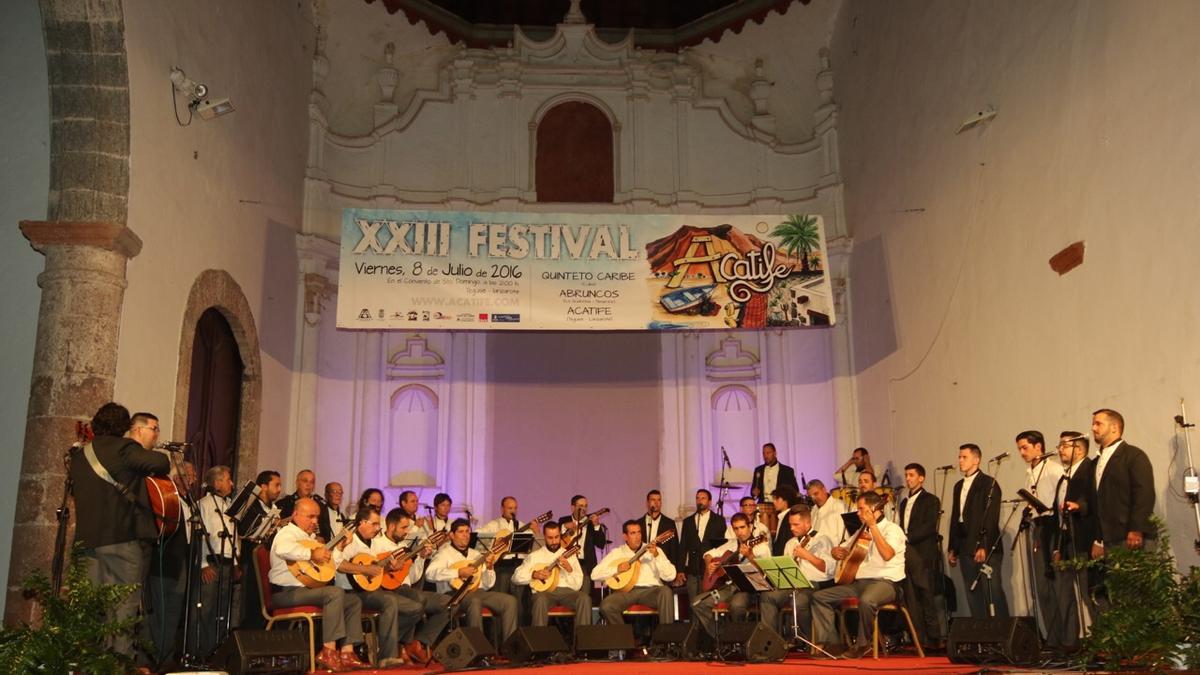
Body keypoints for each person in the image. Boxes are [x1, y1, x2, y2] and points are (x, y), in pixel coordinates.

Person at [69, 403, 170, 664]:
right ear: (126, 427)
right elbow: (161, 462)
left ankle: (90, 665)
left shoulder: (80, 456)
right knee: (122, 611)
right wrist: (137, 444)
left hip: (86, 544)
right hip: (121, 541)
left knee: (92, 611)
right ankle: (118, 667)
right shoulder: (125, 449)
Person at [268, 497, 367, 670]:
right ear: (295, 514)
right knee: (334, 592)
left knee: (353, 601)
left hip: (306, 591)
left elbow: (331, 566)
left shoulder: (311, 538)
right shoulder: (287, 533)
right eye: (310, 517)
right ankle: (328, 652)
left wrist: (340, 548)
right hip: (285, 593)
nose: (315, 521)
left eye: (317, 517)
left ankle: (347, 652)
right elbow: (282, 549)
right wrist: (311, 554)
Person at [813, 492, 906, 657]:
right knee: (820, 597)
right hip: (860, 583)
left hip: (886, 583)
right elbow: (841, 549)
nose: (858, 513)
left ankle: (863, 645)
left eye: (861, 509)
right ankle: (833, 643)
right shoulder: (860, 531)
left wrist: (874, 527)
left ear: (873, 509)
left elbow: (887, 554)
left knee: (867, 600)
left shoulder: (893, 529)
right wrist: (836, 552)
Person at [334, 506, 423, 668]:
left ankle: (387, 642)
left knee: (416, 608)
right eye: (374, 524)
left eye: (378, 525)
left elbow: (376, 568)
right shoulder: (350, 541)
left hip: (370, 590)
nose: (377, 528)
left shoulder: (374, 544)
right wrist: (364, 569)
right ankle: (386, 657)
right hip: (351, 592)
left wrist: (390, 567)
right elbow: (338, 564)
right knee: (390, 600)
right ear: (361, 523)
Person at [426, 518, 518, 647]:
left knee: (510, 601)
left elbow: (487, 585)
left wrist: (490, 568)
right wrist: (458, 572)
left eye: (467, 531)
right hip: (455, 595)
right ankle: (478, 649)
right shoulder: (443, 554)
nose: (465, 535)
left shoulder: (476, 555)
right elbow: (429, 574)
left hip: (477, 592)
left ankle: (511, 648)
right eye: (461, 532)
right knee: (475, 602)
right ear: (452, 535)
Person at [948, 444, 1008, 617]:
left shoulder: (988, 483)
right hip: (965, 546)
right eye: (959, 457)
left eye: (964, 457)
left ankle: (1003, 632)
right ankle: (981, 634)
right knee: (972, 592)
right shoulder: (958, 486)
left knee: (993, 591)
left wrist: (983, 544)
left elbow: (990, 517)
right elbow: (956, 517)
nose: (960, 460)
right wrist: (953, 547)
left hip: (985, 545)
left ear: (976, 459)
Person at [383, 508, 449, 665]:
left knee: (449, 603)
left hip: (406, 588)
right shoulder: (378, 544)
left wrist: (420, 558)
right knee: (417, 600)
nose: (407, 532)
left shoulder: (406, 545)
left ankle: (417, 642)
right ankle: (400, 645)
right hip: (389, 589)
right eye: (404, 528)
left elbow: (412, 577)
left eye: (408, 528)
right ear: (391, 526)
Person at [146, 458, 194, 669]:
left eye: (193, 475)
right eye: (189, 475)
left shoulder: (190, 502)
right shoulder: (166, 499)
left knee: (173, 614)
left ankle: (165, 659)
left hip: (181, 564)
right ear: (176, 478)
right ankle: (151, 660)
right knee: (159, 614)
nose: (194, 479)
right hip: (163, 564)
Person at [1051, 431, 1098, 652]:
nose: (1060, 449)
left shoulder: (1090, 469)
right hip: (1068, 541)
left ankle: (1105, 642)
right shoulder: (1065, 476)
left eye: (1064, 445)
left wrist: (1080, 505)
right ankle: (1071, 642)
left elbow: (1093, 500)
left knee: (1092, 594)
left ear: (1079, 448)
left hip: (1085, 540)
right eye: (1059, 445)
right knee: (1066, 593)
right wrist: (1058, 546)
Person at [1016, 430, 1063, 643]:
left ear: (1039, 447)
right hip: (1036, 525)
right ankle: (1052, 638)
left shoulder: (1054, 469)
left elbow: (1059, 500)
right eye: (1019, 448)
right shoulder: (1030, 472)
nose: (1022, 452)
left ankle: (1067, 640)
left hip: (1052, 526)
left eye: (1025, 447)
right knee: (1042, 587)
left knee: (1057, 585)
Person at [759, 506, 834, 640]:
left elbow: (828, 569)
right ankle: (771, 641)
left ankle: (810, 639)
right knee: (768, 596)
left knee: (798, 602)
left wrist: (807, 556)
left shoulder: (822, 540)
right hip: (793, 584)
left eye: (796, 524)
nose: (792, 528)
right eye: (790, 525)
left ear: (807, 523)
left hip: (815, 584)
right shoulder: (790, 543)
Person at [692, 513, 771, 639]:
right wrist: (709, 564)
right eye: (736, 528)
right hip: (728, 587)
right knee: (697, 603)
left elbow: (767, 571)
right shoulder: (731, 544)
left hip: (749, 589)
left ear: (750, 527)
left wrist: (750, 556)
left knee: (737, 605)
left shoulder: (761, 546)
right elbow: (708, 554)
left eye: (742, 527)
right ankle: (722, 636)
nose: (739, 532)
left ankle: (741, 639)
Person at [1090, 409, 1155, 556]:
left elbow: (1144, 493)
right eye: (1093, 424)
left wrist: (1136, 529)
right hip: (1109, 539)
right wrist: (1098, 540)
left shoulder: (1134, 455)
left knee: (1136, 579)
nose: (1093, 428)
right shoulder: (1095, 462)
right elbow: (1098, 503)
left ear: (1114, 427)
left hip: (1130, 536)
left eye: (1098, 424)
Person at [592, 520, 677, 625]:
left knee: (665, 591)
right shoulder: (617, 552)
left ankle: (666, 636)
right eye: (633, 533)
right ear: (625, 537)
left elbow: (671, 576)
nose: (637, 536)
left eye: (639, 532)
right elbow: (594, 574)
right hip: (627, 593)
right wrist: (617, 569)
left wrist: (656, 556)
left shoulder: (655, 550)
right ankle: (624, 638)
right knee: (606, 606)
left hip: (650, 592)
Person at [513, 521, 592, 627]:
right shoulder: (535, 556)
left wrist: (569, 569)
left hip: (567, 592)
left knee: (584, 599)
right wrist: (534, 574)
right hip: (544, 593)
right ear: (544, 537)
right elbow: (515, 577)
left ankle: (583, 641)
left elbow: (577, 585)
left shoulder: (570, 556)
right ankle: (539, 641)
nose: (554, 541)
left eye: (556, 537)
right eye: (550, 538)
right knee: (539, 600)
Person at [897, 463, 942, 647]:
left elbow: (929, 526)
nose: (908, 479)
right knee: (911, 597)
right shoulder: (904, 502)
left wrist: (906, 537)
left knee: (926, 594)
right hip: (907, 554)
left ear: (921, 478)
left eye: (911, 475)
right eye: (906, 475)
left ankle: (934, 638)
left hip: (923, 553)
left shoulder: (931, 500)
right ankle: (918, 637)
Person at [197, 464, 240, 657]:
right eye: (228, 479)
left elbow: (234, 535)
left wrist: (237, 563)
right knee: (205, 609)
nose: (231, 483)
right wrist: (203, 565)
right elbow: (200, 535)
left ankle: (218, 652)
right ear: (217, 482)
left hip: (228, 564)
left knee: (223, 611)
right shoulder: (204, 504)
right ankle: (200, 652)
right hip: (211, 563)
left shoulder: (229, 505)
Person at [237, 469, 281, 628]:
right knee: (252, 602)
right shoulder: (250, 507)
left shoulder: (275, 508)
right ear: (263, 486)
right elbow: (243, 531)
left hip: (269, 563)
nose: (279, 489)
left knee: (266, 600)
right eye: (276, 485)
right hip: (252, 561)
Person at [477, 496, 529, 617]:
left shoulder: (521, 525)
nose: (513, 511)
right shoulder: (493, 525)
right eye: (510, 508)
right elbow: (480, 536)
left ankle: (518, 630)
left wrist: (535, 531)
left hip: (518, 567)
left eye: (515, 508)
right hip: (501, 567)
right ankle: (498, 634)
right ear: (502, 509)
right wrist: (496, 542)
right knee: (499, 602)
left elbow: (532, 544)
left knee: (519, 603)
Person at [679, 489, 728, 603]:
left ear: (710, 502)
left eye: (703, 498)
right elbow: (683, 546)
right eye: (697, 498)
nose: (699, 501)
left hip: (711, 570)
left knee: (708, 602)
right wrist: (680, 569)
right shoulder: (688, 521)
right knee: (693, 603)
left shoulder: (719, 520)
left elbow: (723, 545)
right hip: (693, 570)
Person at [560, 494, 606, 581]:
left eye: (586, 506)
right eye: (581, 506)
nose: (584, 509)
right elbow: (555, 541)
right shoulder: (563, 521)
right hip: (567, 562)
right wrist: (564, 526)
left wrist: (596, 525)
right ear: (573, 507)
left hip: (586, 565)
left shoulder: (591, 522)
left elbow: (601, 544)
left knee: (585, 593)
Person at [642, 489, 683, 584]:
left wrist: (675, 573)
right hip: (643, 572)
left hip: (662, 571)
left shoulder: (669, 523)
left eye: (659, 500)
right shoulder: (638, 524)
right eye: (653, 500)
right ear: (647, 502)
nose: (656, 503)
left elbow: (674, 550)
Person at [806, 479, 847, 546]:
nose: (814, 498)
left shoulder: (839, 506)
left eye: (816, 493)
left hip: (834, 551)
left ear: (824, 489)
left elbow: (844, 536)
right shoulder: (813, 510)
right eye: (811, 496)